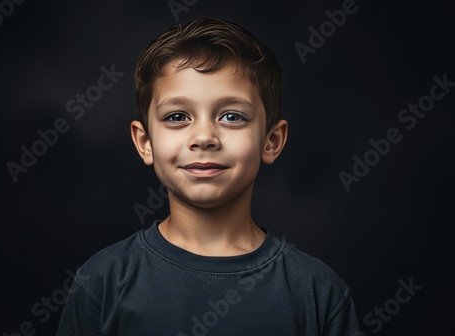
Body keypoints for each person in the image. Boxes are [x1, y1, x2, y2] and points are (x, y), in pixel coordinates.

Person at [57, 17, 361, 336]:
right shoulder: (102, 282)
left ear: (271, 141)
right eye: (177, 117)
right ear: (145, 143)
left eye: (232, 116)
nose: (204, 137)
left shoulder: (318, 291)